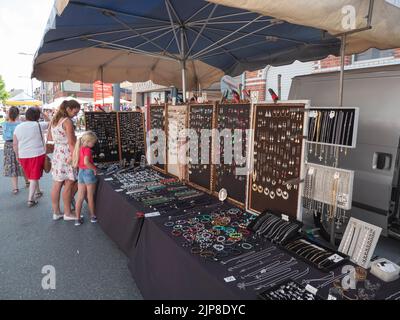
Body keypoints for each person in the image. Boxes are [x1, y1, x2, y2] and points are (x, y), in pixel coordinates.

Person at [47, 100, 81, 221]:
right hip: (67, 154)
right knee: (69, 183)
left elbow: (50, 138)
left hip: (57, 154)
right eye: (75, 112)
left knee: (57, 183)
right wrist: (75, 157)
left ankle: (56, 212)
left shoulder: (55, 120)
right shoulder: (67, 122)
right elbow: (71, 143)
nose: (76, 115)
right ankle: (67, 213)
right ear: (69, 109)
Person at [13, 107, 49, 207]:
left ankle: (38, 191)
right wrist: (42, 112)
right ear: (38, 116)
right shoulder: (39, 125)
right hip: (37, 153)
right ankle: (30, 200)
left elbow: (15, 144)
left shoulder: (18, 127)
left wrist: (16, 155)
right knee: (33, 176)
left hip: (23, 155)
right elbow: (51, 122)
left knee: (32, 175)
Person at [72, 131, 98, 226]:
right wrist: (94, 169)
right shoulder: (87, 150)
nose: (94, 144)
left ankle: (77, 219)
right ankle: (93, 216)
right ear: (88, 141)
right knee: (90, 196)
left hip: (81, 173)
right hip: (88, 172)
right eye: (93, 142)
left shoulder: (78, 148)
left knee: (80, 197)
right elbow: (87, 162)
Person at [2, 107, 26, 193]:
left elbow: (5, 134)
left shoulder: (4, 124)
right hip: (20, 144)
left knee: (12, 165)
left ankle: (15, 188)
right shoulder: (20, 124)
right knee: (22, 163)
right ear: (17, 114)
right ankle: (28, 181)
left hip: (8, 145)